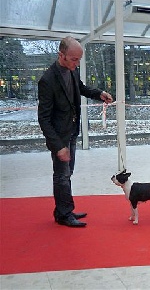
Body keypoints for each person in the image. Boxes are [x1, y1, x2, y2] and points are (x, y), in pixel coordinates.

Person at [38, 36, 113, 227]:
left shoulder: (72, 70)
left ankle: (63, 210)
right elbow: (44, 119)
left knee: (67, 173)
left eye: (79, 59)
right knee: (62, 175)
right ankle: (64, 214)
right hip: (60, 137)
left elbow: (80, 88)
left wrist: (99, 94)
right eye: (74, 59)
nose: (77, 63)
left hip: (71, 131)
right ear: (61, 55)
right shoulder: (47, 80)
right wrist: (58, 146)